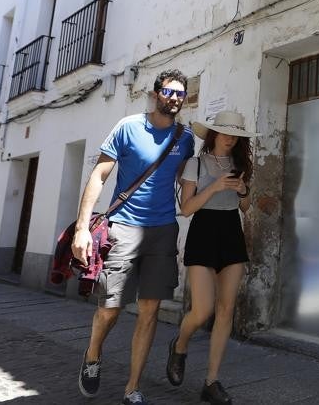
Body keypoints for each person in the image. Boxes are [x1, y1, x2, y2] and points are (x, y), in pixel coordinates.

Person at [72, 69, 194, 405]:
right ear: (155, 94)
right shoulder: (128, 127)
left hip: (163, 231)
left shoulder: (185, 138)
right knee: (110, 308)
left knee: (150, 311)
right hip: (123, 228)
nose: (174, 98)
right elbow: (99, 175)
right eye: (168, 91)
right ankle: (93, 355)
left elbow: (184, 180)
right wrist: (82, 228)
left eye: (180, 94)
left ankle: (133, 387)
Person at [164, 111, 255, 404]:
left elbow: (245, 207)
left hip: (231, 232)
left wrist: (243, 190)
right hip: (203, 231)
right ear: (214, 134)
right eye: (225, 132)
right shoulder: (196, 163)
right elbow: (186, 208)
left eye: (235, 135)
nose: (230, 138)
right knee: (202, 310)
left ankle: (211, 381)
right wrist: (215, 186)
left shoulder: (241, 165)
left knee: (226, 310)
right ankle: (180, 344)